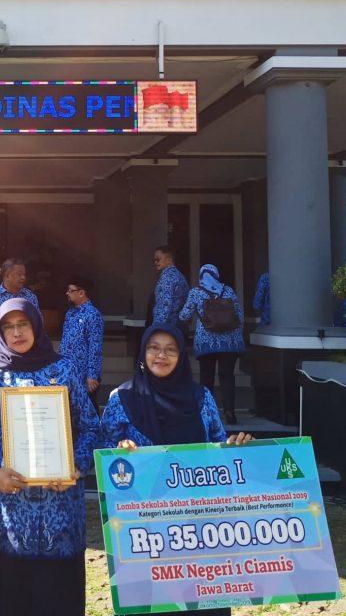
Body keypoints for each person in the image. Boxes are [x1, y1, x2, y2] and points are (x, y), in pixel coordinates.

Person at [100, 322, 254, 616]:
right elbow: (104, 450)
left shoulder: (201, 398)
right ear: (143, 353)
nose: (161, 355)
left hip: (200, 529)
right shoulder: (121, 398)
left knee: (201, 603)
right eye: (153, 348)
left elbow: (217, 446)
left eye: (170, 349)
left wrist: (237, 449)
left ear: (181, 356)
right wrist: (120, 451)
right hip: (146, 529)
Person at [0, 299, 99, 616]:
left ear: (36, 325)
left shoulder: (65, 369)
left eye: (23, 324)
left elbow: (89, 425)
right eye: (8, 327)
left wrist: (76, 466)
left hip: (60, 513)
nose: (16, 333)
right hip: (9, 516)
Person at [179, 264, 245, 425]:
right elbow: (239, 316)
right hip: (230, 343)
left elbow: (184, 316)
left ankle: (207, 414)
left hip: (206, 343)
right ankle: (230, 414)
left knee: (206, 377)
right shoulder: (228, 291)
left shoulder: (196, 292)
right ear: (216, 275)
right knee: (227, 376)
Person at [0, 258, 41, 362]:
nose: (23, 278)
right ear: (7, 276)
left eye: (24, 274)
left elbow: (38, 326)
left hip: (27, 358)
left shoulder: (30, 297)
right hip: (1, 359)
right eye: (18, 274)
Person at [60, 274, 105, 408]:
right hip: (69, 371)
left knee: (88, 409)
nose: (67, 293)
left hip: (84, 374)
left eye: (70, 290)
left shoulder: (92, 314)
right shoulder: (70, 313)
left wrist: (92, 375)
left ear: (81, 293)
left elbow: (95, 346)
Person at [148, 245, 190, 329]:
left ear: (169, 260)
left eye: (158, 259)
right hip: (179, 326)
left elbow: (164, 307)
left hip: (167, 328)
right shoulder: (179, 275)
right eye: (154, 260)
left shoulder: (167, 278)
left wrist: (157, 329)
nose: (155, 262)